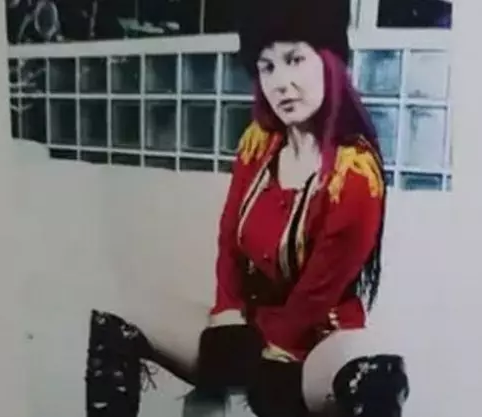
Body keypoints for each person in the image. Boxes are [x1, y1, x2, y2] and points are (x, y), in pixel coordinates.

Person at [85, 0, 410, 416]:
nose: (281, 83)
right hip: (250, 324)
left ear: (329, 60)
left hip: (318, 336)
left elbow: (318, 291)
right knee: (115, 318)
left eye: (294, 59)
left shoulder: (355, 170)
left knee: (376, 377)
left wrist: (266, 351)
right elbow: (230, 243)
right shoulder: (259, 143)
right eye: (267, 66)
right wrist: (228, 315)